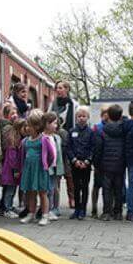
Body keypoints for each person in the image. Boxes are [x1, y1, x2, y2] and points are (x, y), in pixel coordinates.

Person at [19, 110, 56, 226]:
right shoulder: (25, 141)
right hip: (29, 170)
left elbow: (51, 155)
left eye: (28, 126)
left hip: (40, 170)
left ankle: (45, 215)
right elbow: (22, 156)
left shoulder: (44, 140)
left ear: (37, 126)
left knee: (43, 193)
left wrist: (46, 165)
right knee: (30, 192)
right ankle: (31, 213)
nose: (26, 128)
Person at [48, 80, 78, 209]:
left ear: (67, 89)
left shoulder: (74, 104)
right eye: (57, 88)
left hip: (69, 140)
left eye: (61, 88)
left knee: (69, 172)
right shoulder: (52, 104)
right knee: (56, 170)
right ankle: (55, 200)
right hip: (54, 139)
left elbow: (76, 122)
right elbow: (47, 118)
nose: (58, 90)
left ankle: (72, 198)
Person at [94, 104, 126, 221]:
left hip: (105, 164)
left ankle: (106, 212)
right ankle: (118, 212)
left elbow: (98, 149)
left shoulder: (102, 130)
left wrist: (96, 164)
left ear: (108, 115)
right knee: (118, 188)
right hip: (120, 163)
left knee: (106, 189)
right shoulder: (123, 130)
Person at [67, 106, 96, 220]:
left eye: (84, 116)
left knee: (84, 186)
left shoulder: (91, 132)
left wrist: (88, 161)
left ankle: (83, 209)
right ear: (76, 118)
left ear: (88, 117)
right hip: (75, 164)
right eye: (79, 116)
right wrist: (74, 160)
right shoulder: (72, 131)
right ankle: (77, 209)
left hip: (86, 164)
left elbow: (93, 148)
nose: (81, 118)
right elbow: (68, 147)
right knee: (76, 187)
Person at [0, 119, 26, 218]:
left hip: (13, 171)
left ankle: (9, 206)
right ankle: (7, 209)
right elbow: (12, 158)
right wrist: (15, 170)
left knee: (12, 190)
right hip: (11, 171)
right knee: (10, 191)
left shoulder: (18, 138)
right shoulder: (13, 140)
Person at [43, 112, 64, 221]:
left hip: (56, 168)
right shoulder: (42, 137)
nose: (56, 125)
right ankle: (48, 210)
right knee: (48, 190)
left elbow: (59, 154)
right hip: (47, 169)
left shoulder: (57, 137)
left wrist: (61, 169)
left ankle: (54, 208)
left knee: (55, 189)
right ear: (47, 124)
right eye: (54, 123)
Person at [91, 104, 109, 218]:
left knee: (107, 187)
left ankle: (107, 209)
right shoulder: (96, 128)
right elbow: (93, 145)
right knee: (97, 186)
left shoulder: (113, 127)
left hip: (108, 161)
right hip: (99, 161)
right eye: (105, 113)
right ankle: (94, 208)